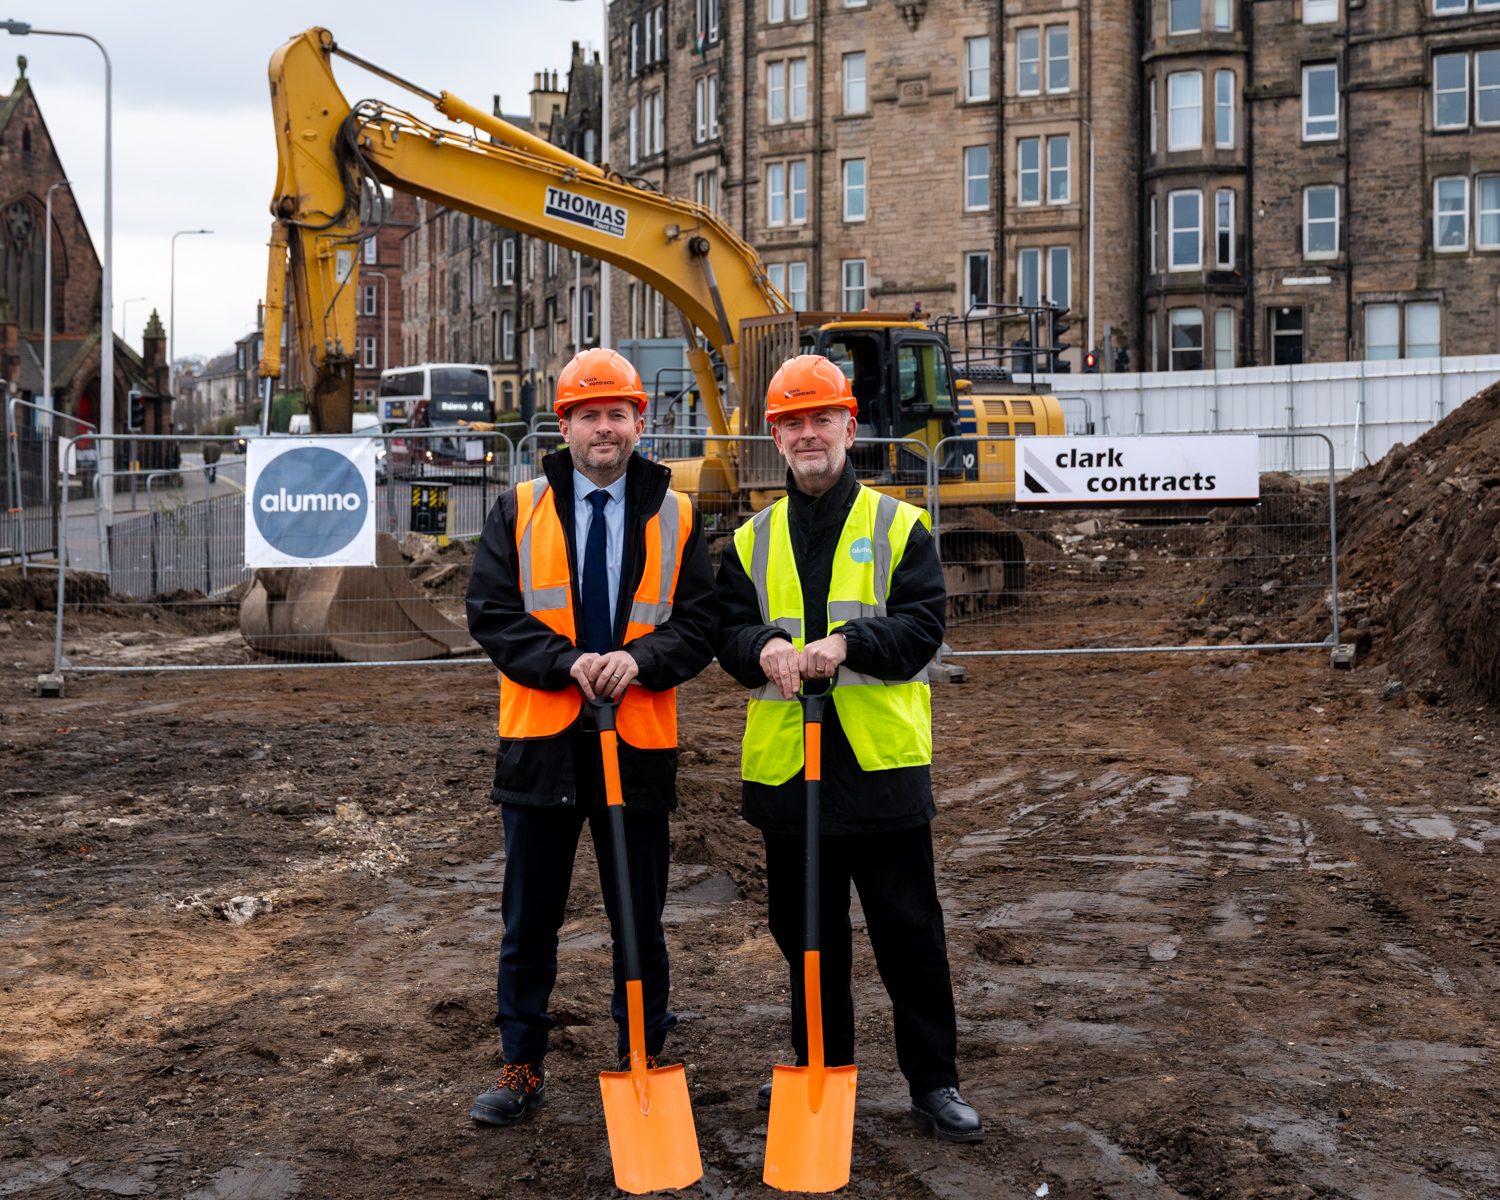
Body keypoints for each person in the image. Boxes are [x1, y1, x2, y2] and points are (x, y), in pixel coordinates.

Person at [714, 354, 983, 1142]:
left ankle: (934, 1083)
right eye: (792, 424)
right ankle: (820, 1074)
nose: (807, 435)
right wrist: (761, 644)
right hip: (790, 775)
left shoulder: (900, 526)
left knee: (909, 933)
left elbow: (921, 629)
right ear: (775, 436)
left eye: (820, 419)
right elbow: (725, 635)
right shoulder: (750, 540)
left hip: (880, 771)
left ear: (848, 427)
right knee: (807, 940)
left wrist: (847, 644)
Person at [465, 347, 717, 1126]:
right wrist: (568, 663)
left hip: (635, 742)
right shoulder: (519, 509)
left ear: (640, 421)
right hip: (541, 743)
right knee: (528, 920)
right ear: (565, 424)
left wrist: (636, 661)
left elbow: (700, 623)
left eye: (617, 413)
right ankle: (521, 1065)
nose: (604, 427)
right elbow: (493, 614)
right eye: (588, 414)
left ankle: (641, 1055)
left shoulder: (677, 514)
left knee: (638, 919)